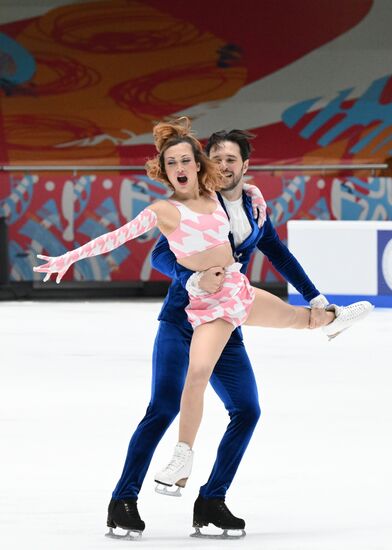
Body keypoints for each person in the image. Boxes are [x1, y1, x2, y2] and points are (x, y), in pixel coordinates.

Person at [33, 118, 372, 539]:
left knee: (247, 409)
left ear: (242, 165)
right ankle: (124, 499)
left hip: (231, 309)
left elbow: (278, 253)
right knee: (165, 406)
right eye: (218, 158)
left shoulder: (247, 204)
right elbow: (154, 252)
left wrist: (316, 297)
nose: (223, 165)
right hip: (183, 316)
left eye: (231, 159)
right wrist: (189, 279)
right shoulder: (173, 209)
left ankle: (211, 500)